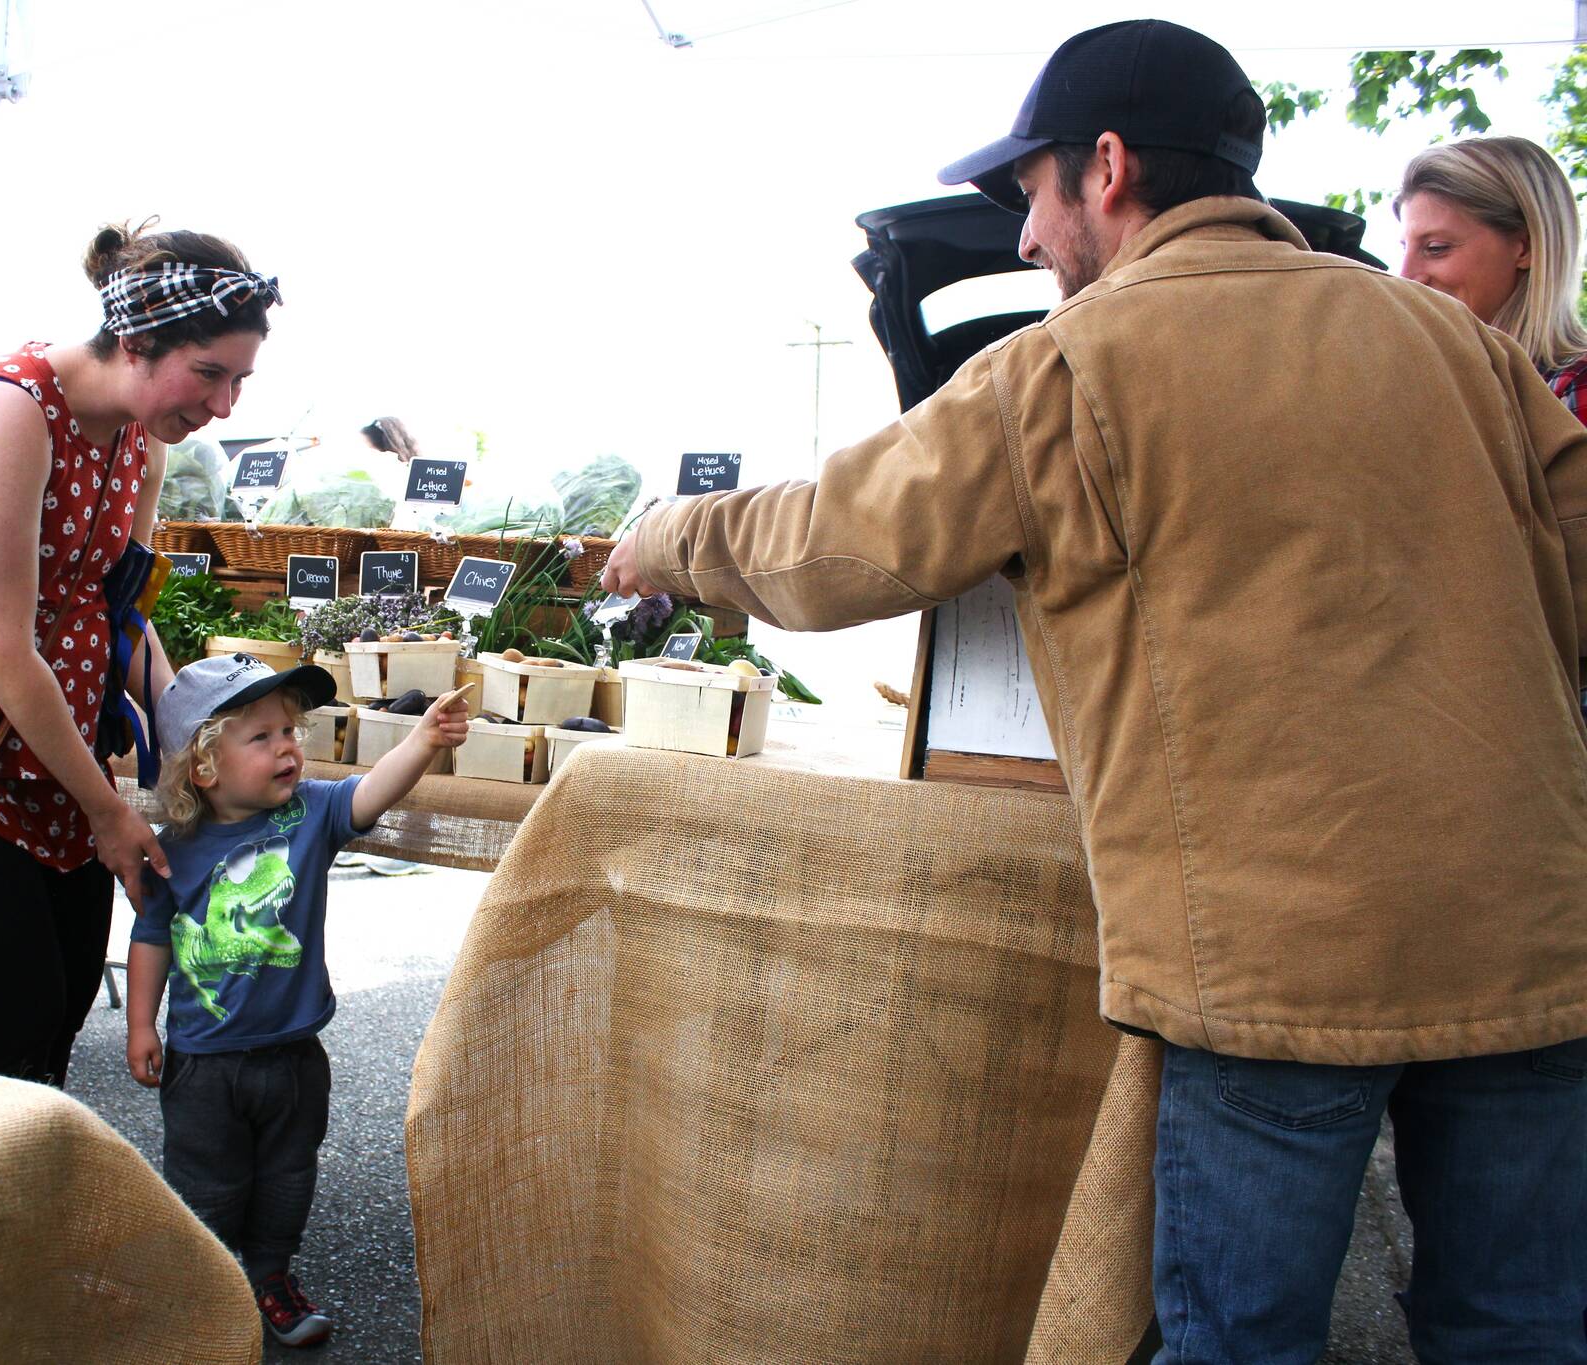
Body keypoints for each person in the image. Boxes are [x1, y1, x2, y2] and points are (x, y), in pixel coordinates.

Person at [604, 19, 1587, 1362]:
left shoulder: (1066, 363)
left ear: (1107, 167)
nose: (1024, 240)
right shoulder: (1456, 344)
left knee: (1239, 1342)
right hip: (1534, 937)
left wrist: (667, 534)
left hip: (1282, 968)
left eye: (1031, 195)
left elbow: (833, 545)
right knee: (1522, 1332)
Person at [0, 219, 271, 1087]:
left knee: (65, 1003)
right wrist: (110, 811)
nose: (225, 406)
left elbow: (118, 615)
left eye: (240, 380)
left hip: (52, 759)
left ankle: (25, 1176)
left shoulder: (140, 441)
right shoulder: (6, 413)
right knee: (16, 1014)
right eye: (209, 373)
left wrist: (205, 734)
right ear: (135, 341)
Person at [124, 652, 469, 1346]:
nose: (287, 747)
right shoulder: (173, 850)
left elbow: (371, 793)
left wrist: (423, 740)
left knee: (288, 1180)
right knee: (207, 1186)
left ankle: (270, 1276)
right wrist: (140, 1025)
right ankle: (208, 1285)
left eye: (291, 731)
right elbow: (151, 936)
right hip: (203, 1063)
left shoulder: (310, 813)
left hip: (293, 1057)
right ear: (204, 767)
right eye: (263, 736)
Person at [1396, 136, 1587, 417]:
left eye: (1436, 248)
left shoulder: (1573, 386)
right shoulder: (1431, 389)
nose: (1405, 276)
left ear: (1525, 248)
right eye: (1404, 249)